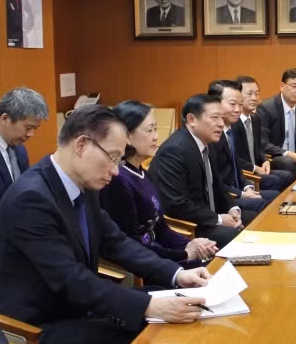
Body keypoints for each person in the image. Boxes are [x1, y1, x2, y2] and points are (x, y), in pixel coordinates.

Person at [0, 105, 212, 344]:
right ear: (82, 145)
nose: (116, 171)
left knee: (177, 302)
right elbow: (70, 279)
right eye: (113, 157)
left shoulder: (84, 185)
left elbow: (117, 242)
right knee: (157, 335)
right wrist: (150, 307)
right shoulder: (31, 199)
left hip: (80, 307)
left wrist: (176, 274)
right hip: (39, 327)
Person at [100, 100, 218, 269]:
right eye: (149, 130)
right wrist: (185, 254)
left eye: (156, 129)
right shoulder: (118, 180)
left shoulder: (142, 173)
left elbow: (161, 229)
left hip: (162, 256)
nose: (156, 136)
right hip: (147, 266)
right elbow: (133, 245)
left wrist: (193, 244)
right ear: (127, 136)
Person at [149, 94, 256, 248]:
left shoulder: (206, 142)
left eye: (222, 118)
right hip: (191, 225)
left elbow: (217, 185)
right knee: (235, 237)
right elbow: (176, 204)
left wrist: (232, 208)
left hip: (208, 214)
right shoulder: (174, 151)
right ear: (192, 119)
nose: (221, 124)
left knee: (253, 217)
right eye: (214, 118)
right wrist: (218, 219)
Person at [0, 87, 48, 234]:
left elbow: (25, 194)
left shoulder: (19, 150)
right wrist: (24, 229)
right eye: (28, 128)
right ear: (5, 119)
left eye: (35, 129)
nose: (31, 134)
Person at [207, 80, 277, 212]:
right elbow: (216, 181)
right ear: (215, 104)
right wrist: (242, 194)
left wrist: (247, 188)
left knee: (275, 196)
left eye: (240, 104)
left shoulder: (230, 130)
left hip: (238, 189)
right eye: (232, 104)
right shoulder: (212, 137)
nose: (238, 110)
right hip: (225, 197)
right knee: (261, 203)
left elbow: (237, 167)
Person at [233, 76, 295, 192]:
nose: (254, 98)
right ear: (237, 96)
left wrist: (265, 160)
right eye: (249, 94)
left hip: (258, 168)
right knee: (275, 182)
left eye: (256, 94)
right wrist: (254, 168)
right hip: (244, 173)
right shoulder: (233, 123)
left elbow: (259, 147)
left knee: (288, 176)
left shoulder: (255, 118)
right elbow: (234, 157)